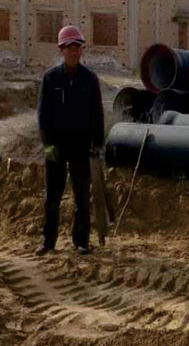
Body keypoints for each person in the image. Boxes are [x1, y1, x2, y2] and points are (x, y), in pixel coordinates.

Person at [36, 26, 104, 256]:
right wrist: (47, 145)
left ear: (81, 50)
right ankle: (48, 242)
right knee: (52, 197)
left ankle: (81, 242)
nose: (74, 52)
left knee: (81, 196)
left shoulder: (90, 80)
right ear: (61, 50)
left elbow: (97, 114)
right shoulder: (50, 78)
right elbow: (43, 115)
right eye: (69, 48)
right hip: (56, 146)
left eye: (77, 48)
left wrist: (97, 144)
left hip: (80, 146)